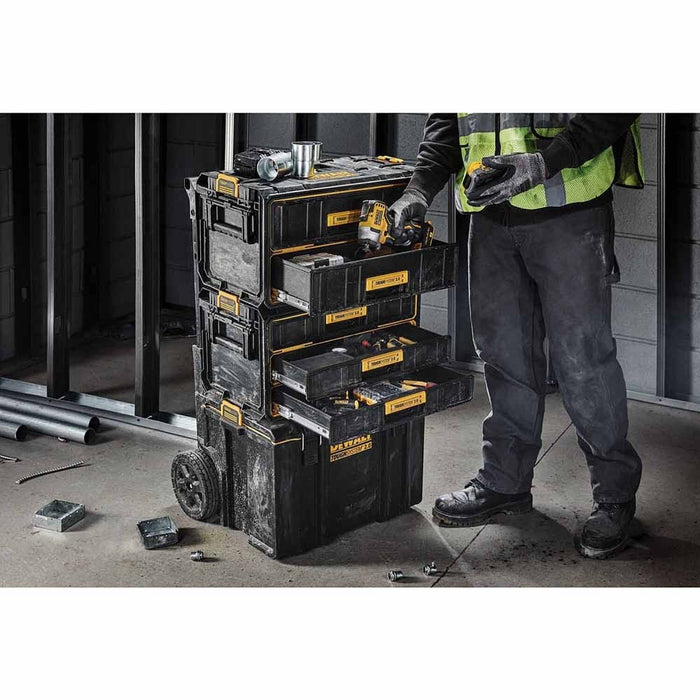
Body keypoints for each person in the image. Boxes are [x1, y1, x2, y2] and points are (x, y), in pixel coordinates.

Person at [389, 114, 645, 559]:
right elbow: (449, 118)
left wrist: (546, 162)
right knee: (503, 355)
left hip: (570, 211)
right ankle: (504, 482)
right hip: (491, 216)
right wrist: (419, 189)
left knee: (584, 361)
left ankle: (614, 495)